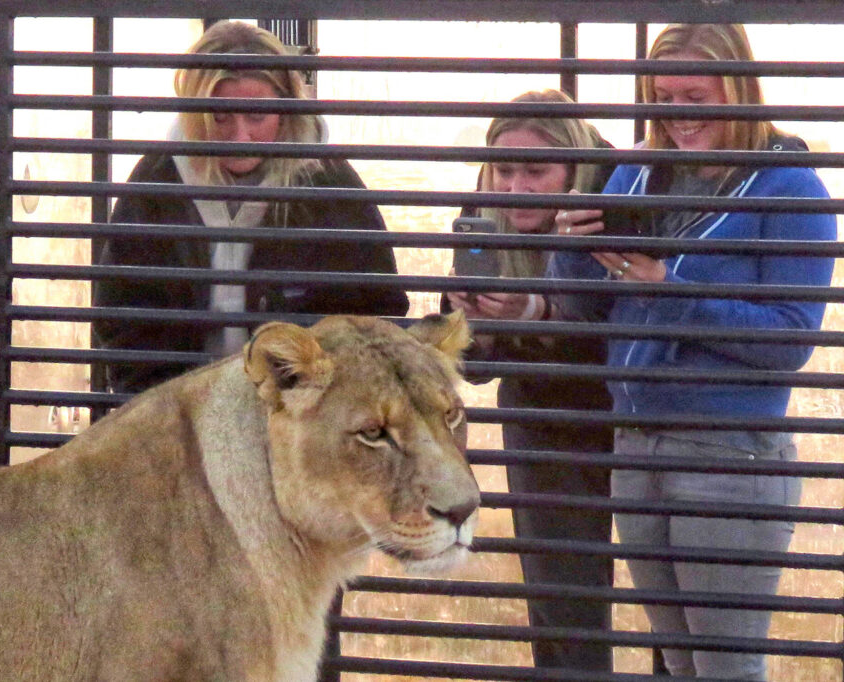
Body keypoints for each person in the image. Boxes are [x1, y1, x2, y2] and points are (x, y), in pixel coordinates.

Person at [548, 24, 837, 679]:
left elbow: (790, 338)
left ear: (738, 88)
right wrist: (573, 246)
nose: (678, 113)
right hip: (635, 445)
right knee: (680, 665)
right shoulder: (636, 171)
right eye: (664, 94)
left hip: (728, 454)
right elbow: (589, 307)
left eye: (696, 94)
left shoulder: (788, 188)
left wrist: (669, 289)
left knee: (727, 667)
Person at [93, 21, 409, 394]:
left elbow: (376, 311)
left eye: (257, 116)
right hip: (184, 416)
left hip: (298, 417)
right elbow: (120, 313)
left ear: (286, 108)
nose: (240, 137)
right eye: (220, 118)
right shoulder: (157, 181)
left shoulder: (330, 184)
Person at [444, 89, 617, 673]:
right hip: (543, 420)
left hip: (637, 416)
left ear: (574, 167)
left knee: (674, 603)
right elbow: (475, 368)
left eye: (535, 170)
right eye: (505, 168)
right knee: (562, 603)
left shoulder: (619, 204)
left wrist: (533, 313)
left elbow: (631, 330)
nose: (515, 187)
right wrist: (470, 321)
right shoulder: (483, 220)